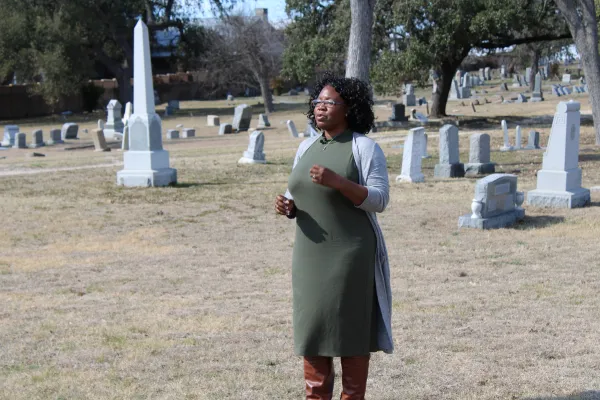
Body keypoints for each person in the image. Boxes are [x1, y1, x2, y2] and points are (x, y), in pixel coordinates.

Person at [274, 73, 393, 400]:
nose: (320, 108)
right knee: (312, 333)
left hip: (349, 257)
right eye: (317, 102)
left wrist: (338, 182)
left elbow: (380, 200)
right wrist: (287, 206)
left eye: (329, 102)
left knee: (350, 332)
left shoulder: (364, 148)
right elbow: (297, 193)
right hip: (309, 258)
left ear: (349, 108)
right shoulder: (306, 147)